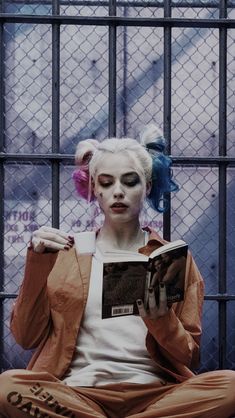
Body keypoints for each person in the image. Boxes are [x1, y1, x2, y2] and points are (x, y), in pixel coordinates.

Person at [0, 124, 235, 418]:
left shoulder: (172, 259)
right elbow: (25, 337)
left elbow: (189, 356)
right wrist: (37, 263)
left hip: (155, 395)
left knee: (231, 387)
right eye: (107, 182)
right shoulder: (66, 252)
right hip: (78, 394)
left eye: (130, 181)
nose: (118, 192)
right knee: (7, 387)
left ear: (147, 186)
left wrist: (162, 322)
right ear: (95, 189)